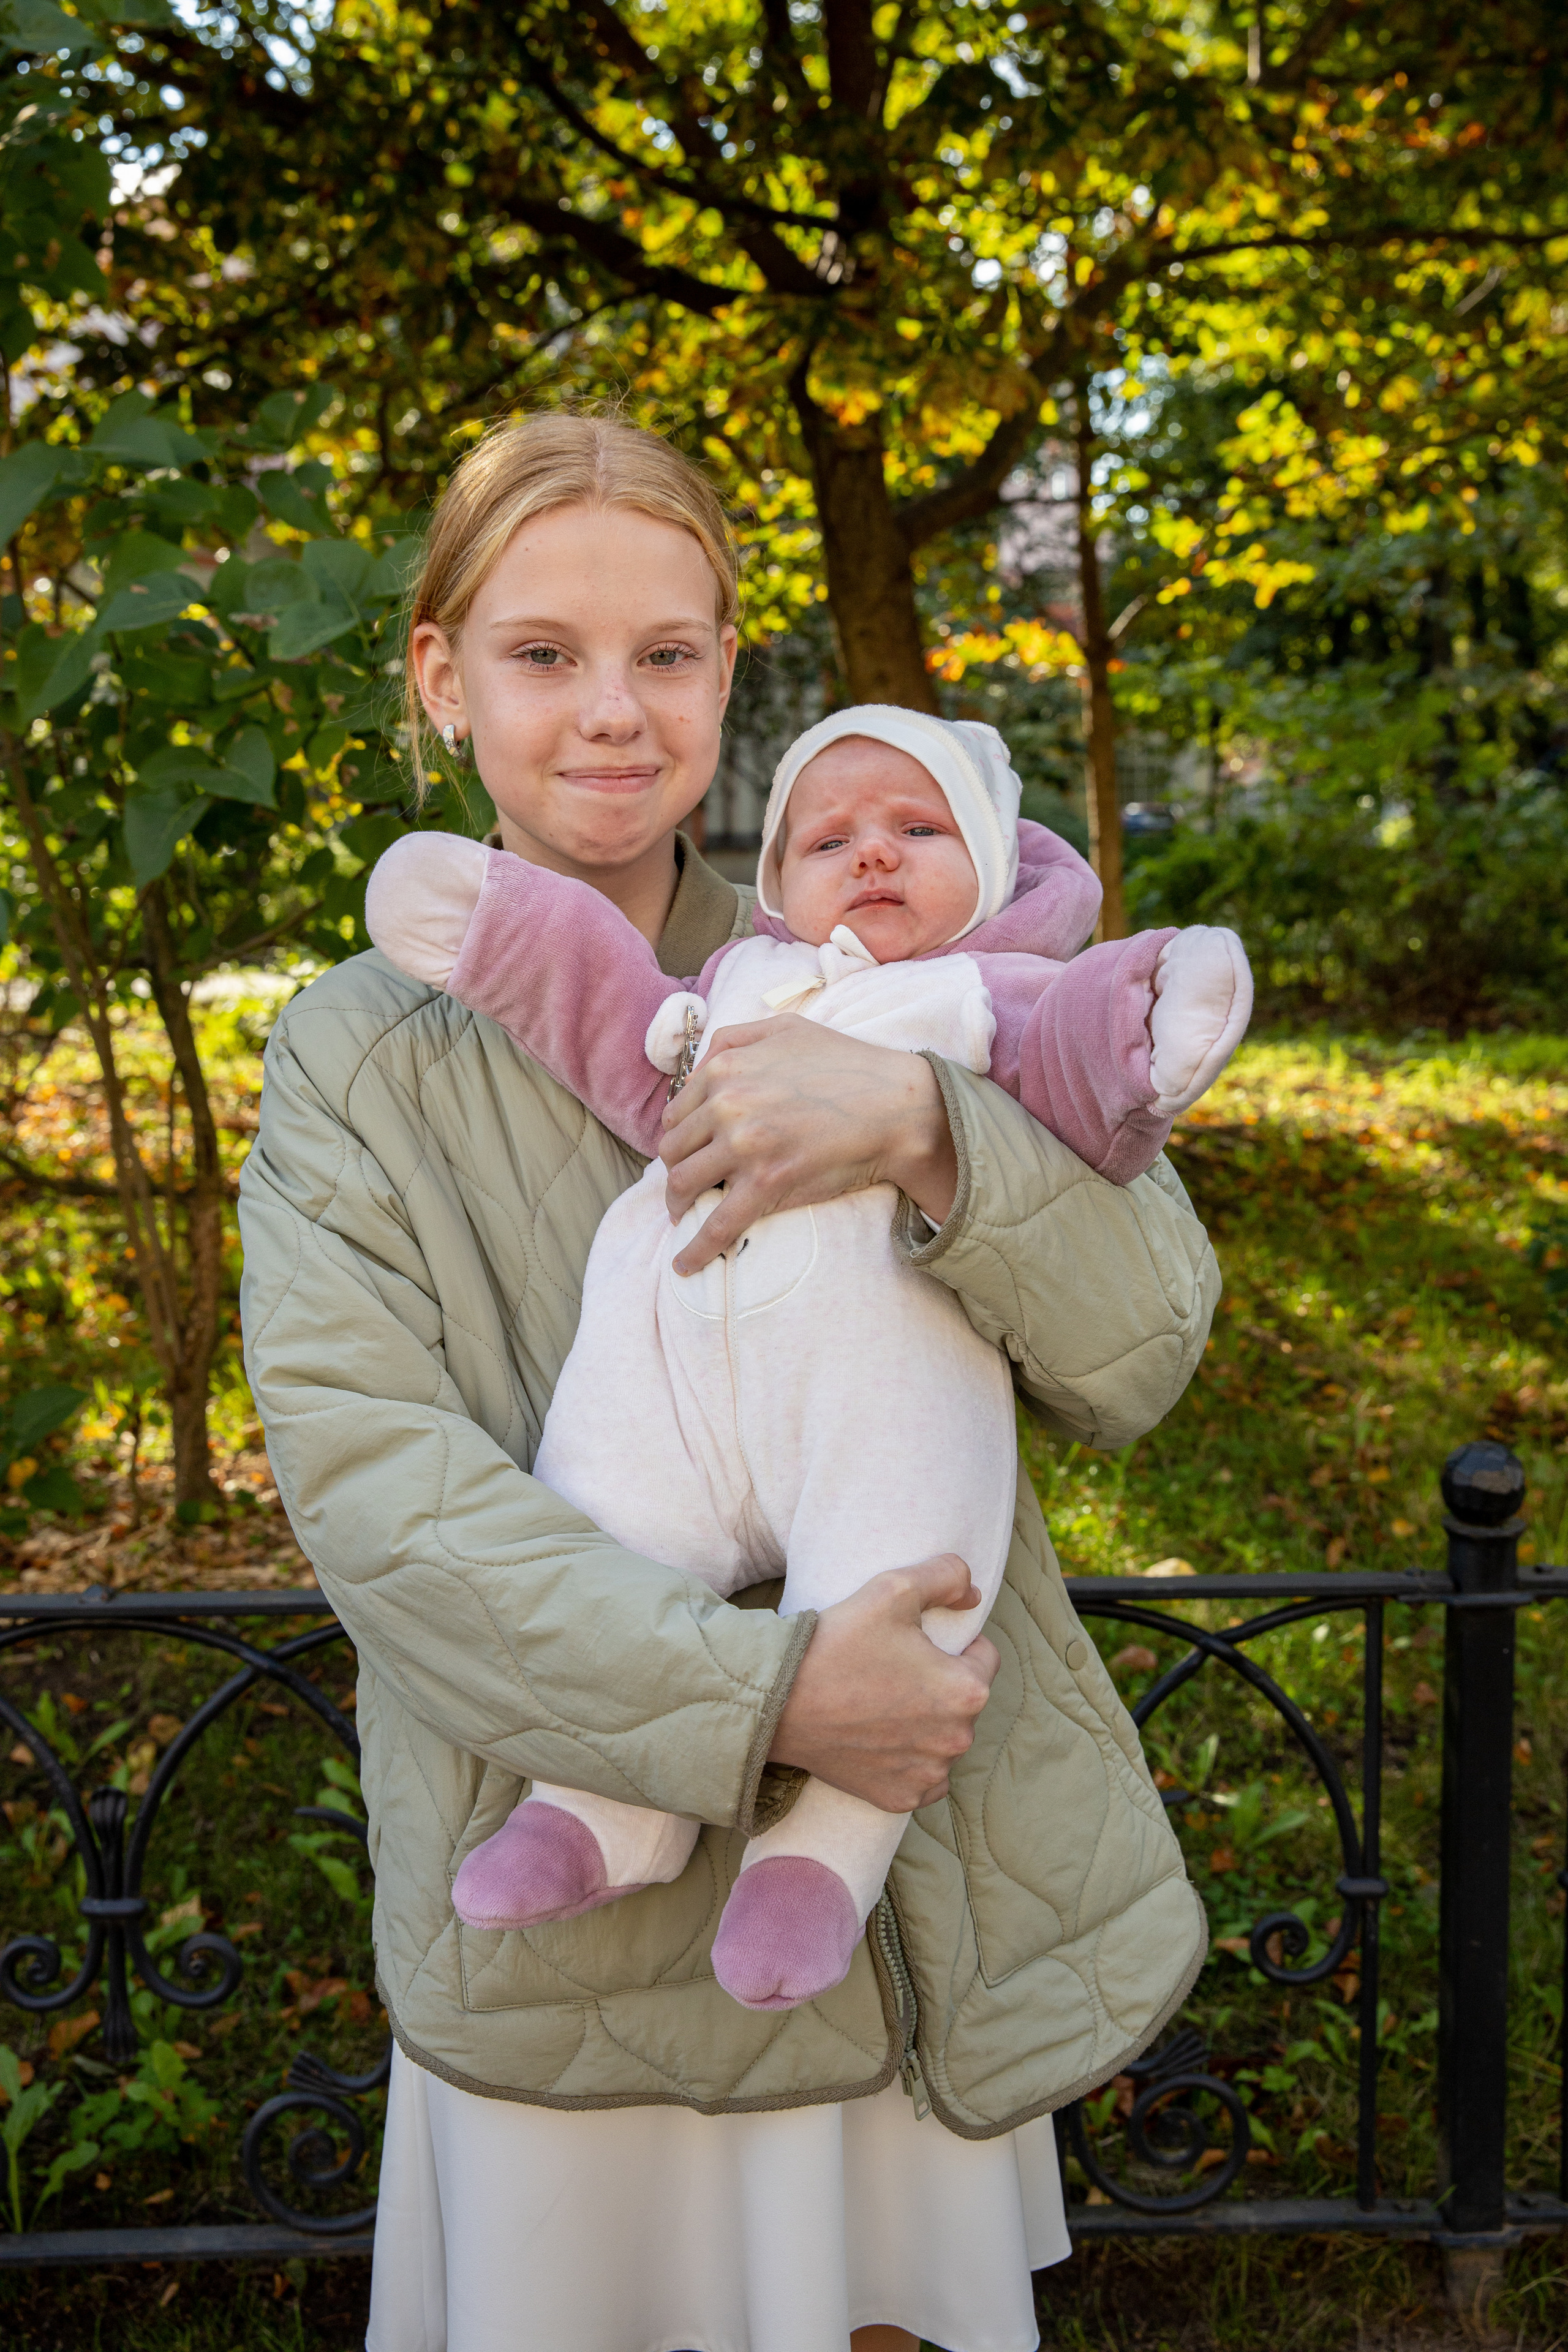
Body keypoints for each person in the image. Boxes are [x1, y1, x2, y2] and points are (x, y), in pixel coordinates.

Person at [238, 412, 1220, 2352]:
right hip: (573, 1896)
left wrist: (936, 1134)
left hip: (890, 1882)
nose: (614, 711)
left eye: (667, 655)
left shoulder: (889, 933)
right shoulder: (353, 1062)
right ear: (441, 676)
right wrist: (776, 1697)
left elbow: (1147, 1347)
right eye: (544, 655)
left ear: (723, 669)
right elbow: (383, 1502)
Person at [362, 704, 1249, 2015]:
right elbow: (609, 1016)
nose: (874, 855)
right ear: (777, 883)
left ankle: (818, 1864)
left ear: (997, 865)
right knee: (603, 1522)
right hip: (666, 1390)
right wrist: (492, 928)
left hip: (874, 1401)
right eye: (829, 837)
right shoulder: (732, 987)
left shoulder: (985, 993)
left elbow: (1084, 1074)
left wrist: (1146, 1020)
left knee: (895, 1583)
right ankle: (601, 1812)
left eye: (917, 828)